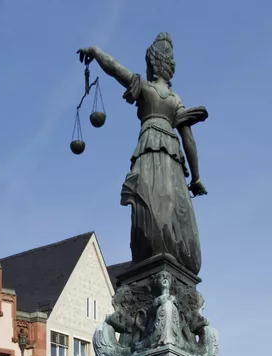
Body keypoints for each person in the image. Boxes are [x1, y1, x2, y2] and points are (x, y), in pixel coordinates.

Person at [78, 33, 208, 276]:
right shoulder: (176, 101)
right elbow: (188, 139)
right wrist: (197, 178)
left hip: (149, 151)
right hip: (173, 158)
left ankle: (151, 253)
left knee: (148, 203)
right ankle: (164, 254)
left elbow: (114, 68)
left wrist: (95, 51)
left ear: (151, 65)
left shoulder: (146, 89)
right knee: (169, 206)